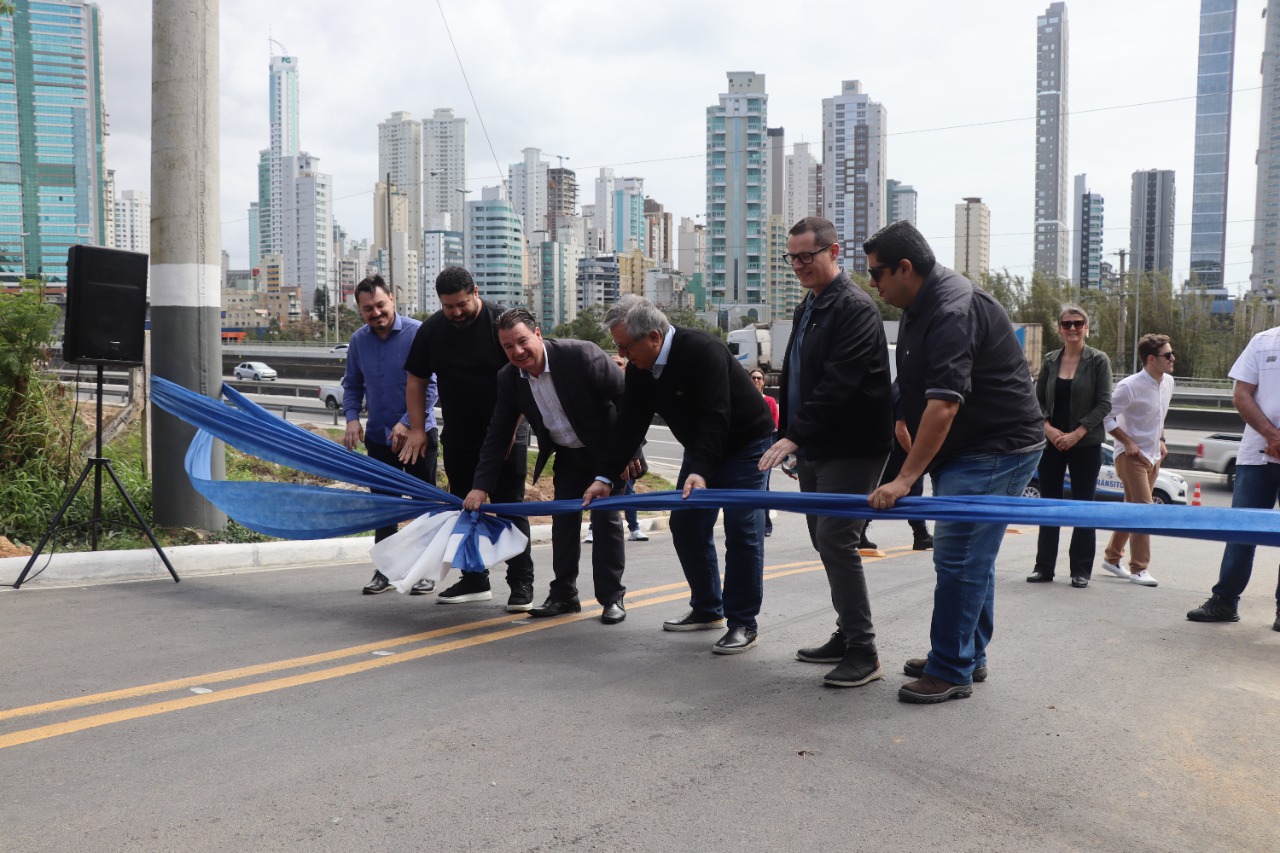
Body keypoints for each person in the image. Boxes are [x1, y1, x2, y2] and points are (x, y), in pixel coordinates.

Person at [865, 221, 1044, 705]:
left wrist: (905, 477)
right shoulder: (917, 304)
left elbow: (944, 404)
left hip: (996, 448)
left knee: (960, 557)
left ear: (905, 268)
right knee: (972, 558)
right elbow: (914, 378)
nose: (874, 285)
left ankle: (950, 669)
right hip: (970, 447)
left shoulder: (952, 307)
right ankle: (965, 652)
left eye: (877, 273)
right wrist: (902, 414)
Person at [584, 296, 774, 655]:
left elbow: (717, 415)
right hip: (702, 447)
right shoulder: (640, 370)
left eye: (626, 346)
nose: (623, 354)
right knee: (687, 526)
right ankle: (708, 608)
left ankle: (743, 622)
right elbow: (629, 425)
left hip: (746, 443)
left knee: (742, 529)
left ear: (654, 337)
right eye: (617, 346)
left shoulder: (703, 350)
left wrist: (701, 471)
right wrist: (605, 477)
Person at [758, 216, 894, 688]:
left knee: (837, 540)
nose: (798, 266)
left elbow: (840, 383)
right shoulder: (809, 305)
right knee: (823, 539)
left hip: (853, 445)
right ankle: (846, 632)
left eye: (806, 257)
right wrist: (797, 439)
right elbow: (797, 377)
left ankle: (864, 649)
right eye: (791, 258)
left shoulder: (854, 306)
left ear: (834, 252)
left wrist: (795, 435)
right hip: (817, 443)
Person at [463, 309, 637, 625]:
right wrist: (480, 486)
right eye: (507, 347)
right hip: (569, 457)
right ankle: (564, 595)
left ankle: (612, 598)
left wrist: (628, 452)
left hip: (607, 452)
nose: (517, 352)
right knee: (563, 523)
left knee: (605, 520)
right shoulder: (508, 378)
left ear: (538, 334)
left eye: (522, 341)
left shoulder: (581, 355)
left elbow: (628, 401)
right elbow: (498, 431)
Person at [399, 266, 535, 611]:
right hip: (459, 433)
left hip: (505, 432)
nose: (456, 312)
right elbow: (416, 379)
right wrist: (417, 428)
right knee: (464, 508)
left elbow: (523, 377)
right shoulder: (432, 329)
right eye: (449, 307)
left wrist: (511, 432)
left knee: (509, 506)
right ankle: (474, 579)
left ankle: (521, 582)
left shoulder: (497, 323)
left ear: (475, 291)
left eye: (461, 304)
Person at [342, 275, 440, 596]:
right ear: (360, 310)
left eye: (381, 305)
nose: (376, 313)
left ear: (392, 301)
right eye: (368, 308)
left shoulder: (417, 334)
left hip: (418, 438)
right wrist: (352, 419)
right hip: (379, 439)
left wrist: (408, 422)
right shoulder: (358, 341)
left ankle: (425, 571)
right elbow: (352, 385)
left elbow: (432, 385)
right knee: (383, 507)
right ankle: (385, 570)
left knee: (426, 506)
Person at [1187, 325, 1280, 630]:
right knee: (1240, 532)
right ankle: (1225, 601)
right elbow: (1241, 395)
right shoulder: (1264, 341)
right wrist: (1271, 435)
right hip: (1256, 454)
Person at [1028, 305, 1113, 588]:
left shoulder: (1098, 360)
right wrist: (1049, 429)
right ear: (1060, 328)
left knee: (1082, 506)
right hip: (1051, 443)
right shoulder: (1051, 360)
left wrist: (1077, 433)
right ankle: (1044, 568)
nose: (1073, 328)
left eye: (1078, 323)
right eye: (1067, 324)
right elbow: (1036, 401)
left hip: (1086, 444)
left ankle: (1080, 570)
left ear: (1087, 327)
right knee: (1049, 505)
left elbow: (1104, 403)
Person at [1098, 334, 1175, 588]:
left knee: (1132, 508)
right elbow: (1106, 417)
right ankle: (1139, 568)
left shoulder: (1168, 383)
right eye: (1168, 355)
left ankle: (1111, 557)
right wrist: (1128, 442)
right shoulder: (1129, 386)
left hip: (1153, 456)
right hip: (1130, 456)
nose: (1173, 358)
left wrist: (1161, 440)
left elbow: (1159, 417)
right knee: (1144, 510)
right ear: (1151, 359)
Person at [863, 382, 935, 553]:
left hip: (888, 451)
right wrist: (916, 456)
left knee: (877, 490)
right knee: (913, 493)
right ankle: (921, 535)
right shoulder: (906, 392)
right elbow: (901, 429)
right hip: (902, 453)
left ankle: (857, 533)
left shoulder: (893, 388)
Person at [586, 354, 649, 544]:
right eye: (611, 365)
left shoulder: (633, 390)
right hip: (605, 457)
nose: (615, 368)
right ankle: (592, 529)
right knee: (600, 494)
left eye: (619, 365)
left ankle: (634, 528)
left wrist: (632, 453)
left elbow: (635, 425)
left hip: (628, 457)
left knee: (628, 493)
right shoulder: (598, 394)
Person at [749, 368, 779, 537]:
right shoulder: (743, 400)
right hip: (747, 450)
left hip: (765, 450)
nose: (756, 381)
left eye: (759, 378)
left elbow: (775, 425)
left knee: (764, 487)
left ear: (763, 382)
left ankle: (766, 524)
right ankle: (752, 523)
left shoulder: (769, 401)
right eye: (753, 378)